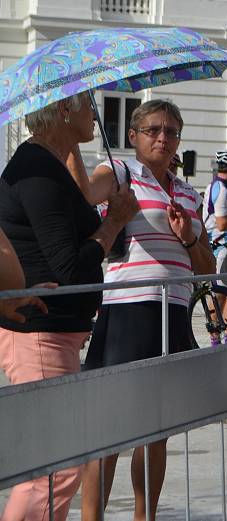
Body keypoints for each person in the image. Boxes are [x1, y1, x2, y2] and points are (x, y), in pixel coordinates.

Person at [75, 99, 217, 521]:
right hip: (129, 310)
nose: (163, 137)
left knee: (157, 433)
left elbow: (206, 269)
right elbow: (84, 194)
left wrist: (188, 236)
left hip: (172, 313)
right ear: (133, 136)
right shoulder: (119, 173)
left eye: (171, 131)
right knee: (110, 431)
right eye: (153, 129)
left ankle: (145, 518)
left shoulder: (189, 192)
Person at [0, 91, 138, 521]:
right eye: (88, 106)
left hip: (53, 334)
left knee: (55, 465)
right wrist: (112, 223)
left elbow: (88, 252)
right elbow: (69, 268)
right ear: (64, 110)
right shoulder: (38, 171)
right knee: (54, 470)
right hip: (41, 334)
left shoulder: (48, 166)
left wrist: (111, 222)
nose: (97, 117)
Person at [204, 149, 227, 345]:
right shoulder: (223, 190)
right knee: (223, 293)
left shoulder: (213, 185)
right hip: (221, 245)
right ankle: (218, 338)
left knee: (225, 293)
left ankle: (220, 336)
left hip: (215, 245)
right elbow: (221, 223)